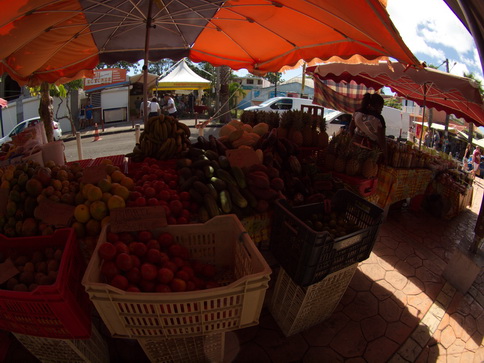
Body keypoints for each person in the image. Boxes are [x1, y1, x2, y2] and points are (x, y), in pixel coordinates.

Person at [349, 93, 387, 161]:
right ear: (377, 105)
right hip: (369, 150)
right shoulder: (378, 119)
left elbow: (351, 129)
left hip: (354, 145)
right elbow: (382, 140)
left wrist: (353, 140)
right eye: (381, 107)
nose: (381, 110)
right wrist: (385, 155)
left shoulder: (357, 113)